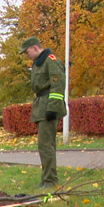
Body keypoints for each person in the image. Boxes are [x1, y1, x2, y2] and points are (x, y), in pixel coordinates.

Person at [19, 36, 67, 189]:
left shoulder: (50, 61)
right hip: (42, 106)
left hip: (48, 107)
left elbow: (58, 86)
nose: (26, 56)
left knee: (46, 145)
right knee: (44, 145)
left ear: (35, 47)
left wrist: (52, 108)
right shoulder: (38, 63)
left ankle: (50, 180)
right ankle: (47, 178)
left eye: (27, 52)